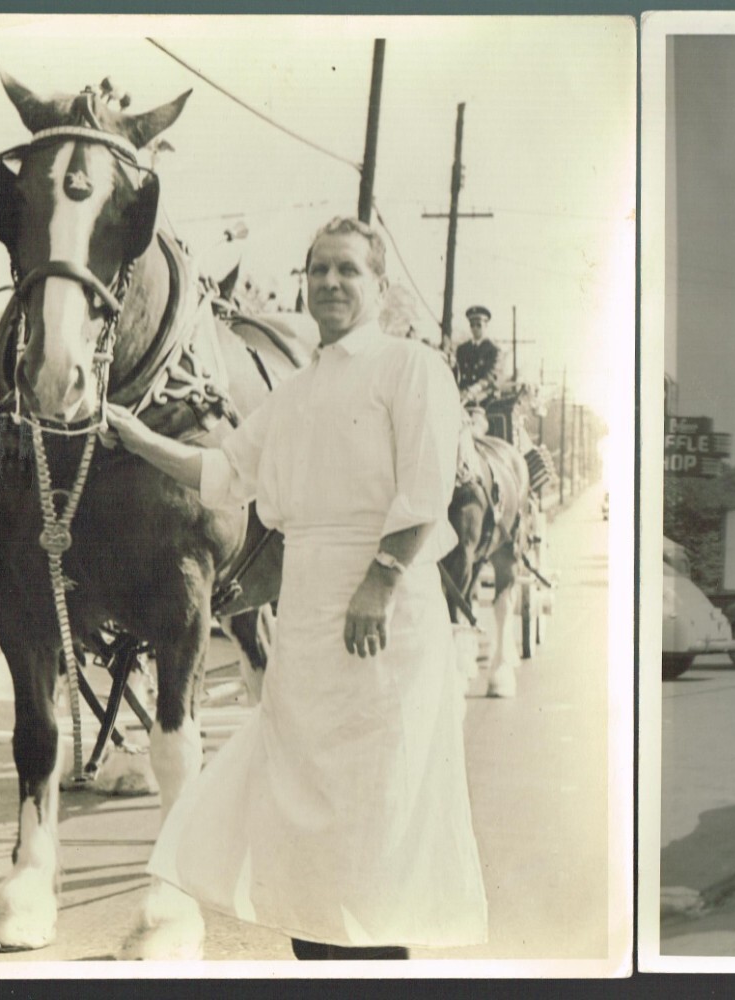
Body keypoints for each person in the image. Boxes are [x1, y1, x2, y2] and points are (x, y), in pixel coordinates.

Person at [102, 216, 487, 960]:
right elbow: (225, 475)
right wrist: (139, 438)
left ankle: (375, 959)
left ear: (380, 286)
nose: (331, 283)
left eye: (348, 270)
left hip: (384, 606)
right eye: (319, 270)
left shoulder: (412, 368)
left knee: (375, 799)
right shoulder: (301, 390)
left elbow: (426, 489)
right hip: (308, 608)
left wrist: (380, 581)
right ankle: (320, 955)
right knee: (304, 796)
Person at [455, 305, 502, 404]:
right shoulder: (462, 349)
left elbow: (491, 376)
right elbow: (457, 373)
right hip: (463, 393)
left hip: (484, 394)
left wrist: (475, 389)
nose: (475, 328)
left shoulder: (493, 350)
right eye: (472, 325)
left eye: (478, 325)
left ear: (486, 325)